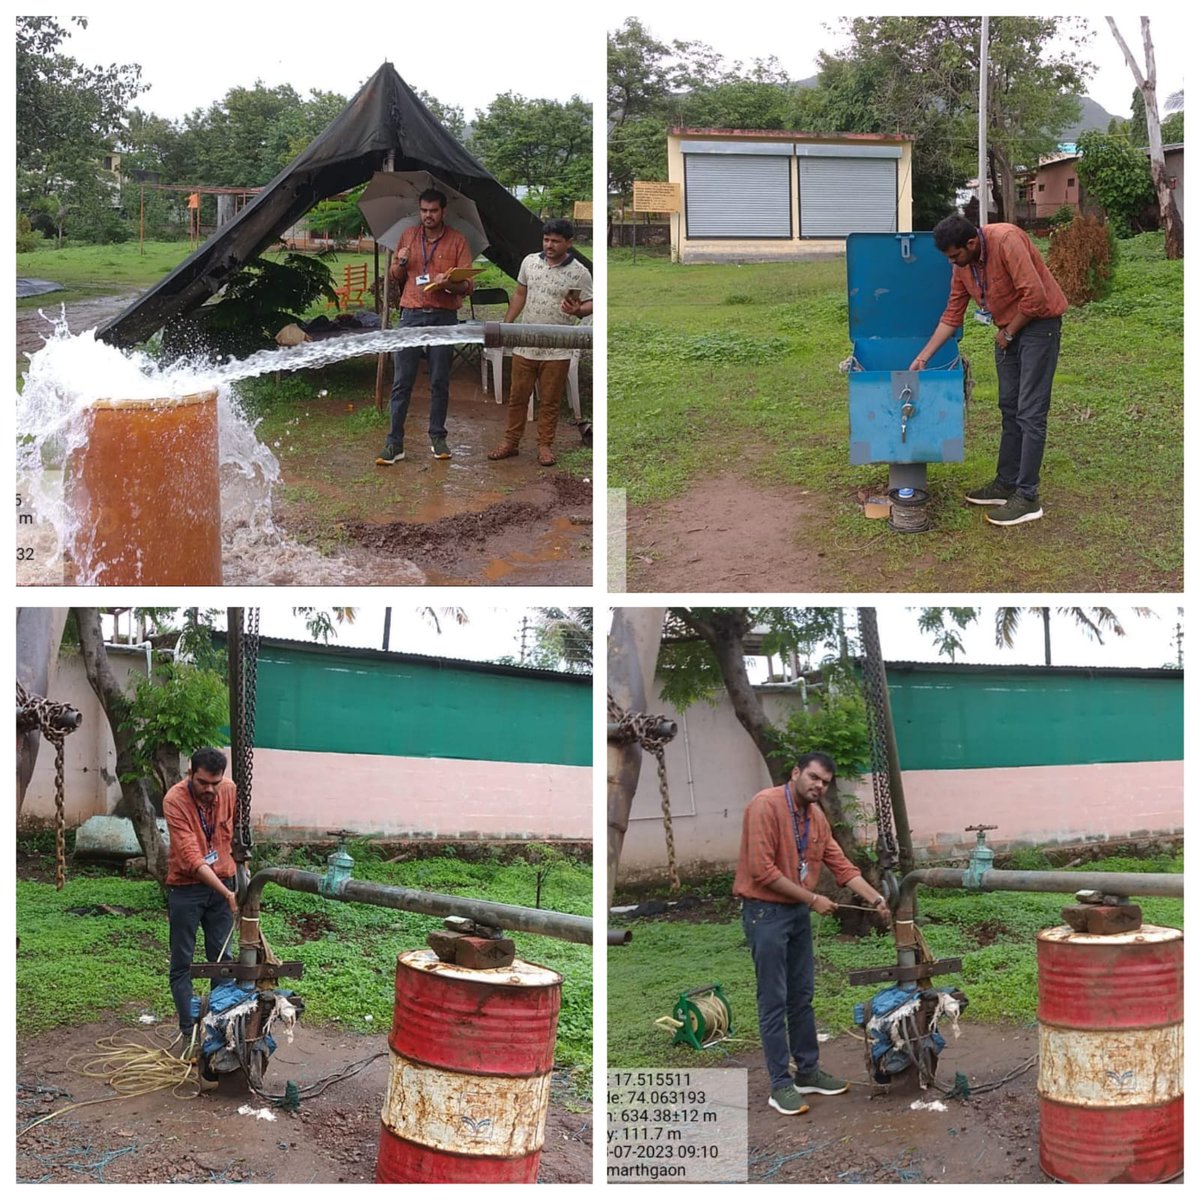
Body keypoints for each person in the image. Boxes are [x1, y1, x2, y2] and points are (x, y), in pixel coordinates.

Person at [733, 752, 889, 1115]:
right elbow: (761, 871)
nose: (819, 786)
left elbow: (841, 866)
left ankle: (807, 1072)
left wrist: (876, 898)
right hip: (765, 914)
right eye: (814, 777)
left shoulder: (816, 818)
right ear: (795, 773)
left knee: (801, 997)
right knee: (773, 1000)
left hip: (797, 914)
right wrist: (813, 899)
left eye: (825, 782)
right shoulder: (765, 806)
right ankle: (780, 1085)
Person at [909, 214, 1068, 527]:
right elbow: (952, 314)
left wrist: (1009, 332)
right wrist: (924, 357)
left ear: (971, 243)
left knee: (1030, 411)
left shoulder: (1007, 240)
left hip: (1039, 327)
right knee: (1009, 407)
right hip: (1008, 331)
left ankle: (1028, 496)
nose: (953, 262)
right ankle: (1006, 483)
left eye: (955, 255)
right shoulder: (962, 266)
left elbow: (1035, 297)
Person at [376, 189, 475, 464]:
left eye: (433, 211)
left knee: (439, 380)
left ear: (443, 211)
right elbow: (395, 275)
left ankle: (438, 437)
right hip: (411, 315)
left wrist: (449, 283)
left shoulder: (458, 240)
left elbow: (468, 286)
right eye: (424, 210)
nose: (428, 215)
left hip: (444, 316)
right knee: (402, 381)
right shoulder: (408, 236)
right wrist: (401, 261)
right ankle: (394, 443)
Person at [487, 218, 593, 467]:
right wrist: (507, 324)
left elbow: (592, 303)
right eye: (546, 240)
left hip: (557, 348)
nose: (549, 245)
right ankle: (510, 442)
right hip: (526, 343)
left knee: (549, 400)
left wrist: (578, 309)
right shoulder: (529, 262)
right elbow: (520, 293)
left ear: (568, 243)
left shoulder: (579, 272)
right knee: (517, 396)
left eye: (556, 241)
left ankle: (545, 445)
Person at [163, 747, 239, 1052]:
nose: (209, 789)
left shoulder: (229, 790)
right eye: (203, 782)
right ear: (190, 774)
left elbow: (240, 837)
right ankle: (189, 1034)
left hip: (224, 884)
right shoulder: (175, 800)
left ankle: (219, 1031)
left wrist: (240, 880)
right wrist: (228, 893)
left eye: (215, 783)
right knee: (182, 962)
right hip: (186, 888)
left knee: (223, 961)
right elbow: (193, 859)